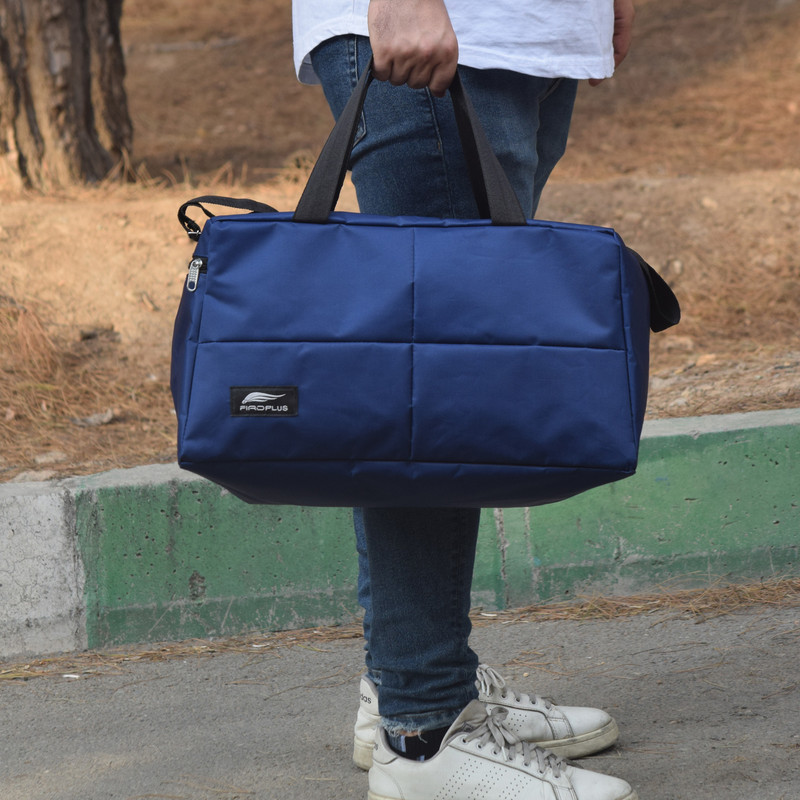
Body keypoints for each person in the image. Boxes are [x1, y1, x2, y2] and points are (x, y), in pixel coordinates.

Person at [291, 2, 639, 799]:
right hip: (437, 29)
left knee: (446, 382)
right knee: (433, 396)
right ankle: (423, 731)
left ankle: (403, 682)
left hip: (521, 35)